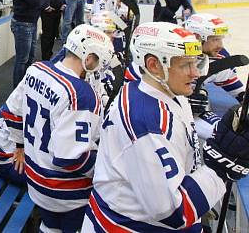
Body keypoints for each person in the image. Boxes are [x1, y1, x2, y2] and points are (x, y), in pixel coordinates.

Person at [81, 22, 249, 232]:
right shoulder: (147, 123)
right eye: (185, 65)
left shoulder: (159, 91)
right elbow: (172, 212)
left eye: (197, 62)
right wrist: (219, 170)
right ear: (153, 65)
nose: (196, 73)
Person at [4, 24, 115, 233]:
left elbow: (11, 112)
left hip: (35, 180)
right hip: (64, 191)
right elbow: (71, 158)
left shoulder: (37, 69)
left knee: (49, 227)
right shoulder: (81, 94)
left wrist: (19, 146)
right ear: (89, 58)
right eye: (99, 61)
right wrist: (109, 169)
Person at [184, 13, 245, 140]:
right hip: (164, 110)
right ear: (197, 38)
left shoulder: (220, 58)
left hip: (193, 112)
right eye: (215, 39)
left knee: (226, 135)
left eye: (220, 39)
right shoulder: (172, 55)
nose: (221, 45)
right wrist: (182, 99)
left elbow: (236, 89)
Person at [10, 0, 47, 87]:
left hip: (32, 23)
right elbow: (35, 1)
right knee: (22, 59)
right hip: (22, 24)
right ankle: (17, 90)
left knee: (30, 57)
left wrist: (40, 1)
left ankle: (25, 87)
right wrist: (40, 1)